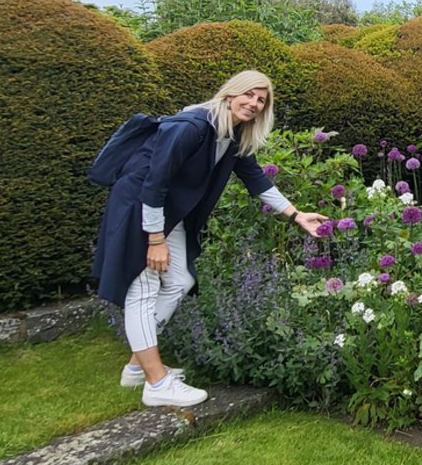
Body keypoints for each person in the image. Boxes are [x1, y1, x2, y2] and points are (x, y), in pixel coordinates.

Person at [91, 70, 328, 408]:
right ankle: (157, 383)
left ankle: (136, 367)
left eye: (261, 100)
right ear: (230, 94)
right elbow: (154, 183)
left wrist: (297, 215)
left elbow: (255, 178)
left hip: (166, 211)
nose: (254, 103)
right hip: (139, 208)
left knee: (180, 280)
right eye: (248, 94)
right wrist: (155, 239)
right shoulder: (192, 127)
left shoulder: (232, 135)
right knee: (143, 289)